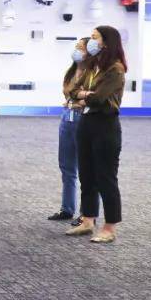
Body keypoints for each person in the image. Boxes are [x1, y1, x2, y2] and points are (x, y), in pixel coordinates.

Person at [65, 25, 126, 243]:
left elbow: (99, 99)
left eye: (94, 37)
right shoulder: (93, 65)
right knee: (87, 175)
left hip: (106, 125)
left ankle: (109, 228)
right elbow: (72, 91)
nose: (90, 41)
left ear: (106, 42)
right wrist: (83, 95)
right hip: (87, 123)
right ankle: (88, 220)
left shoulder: (115, 69)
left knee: (106, 177)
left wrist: (83, 97)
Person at [51, 37, 89, 221]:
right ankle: (67, 209)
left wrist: (76, 102)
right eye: (76, 47)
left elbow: (94, 98)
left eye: (81, 48)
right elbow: (70, 95)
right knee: (66, 167)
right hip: (67, 119)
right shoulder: (71, 71)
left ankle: (86, 213)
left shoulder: (93, 73)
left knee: (86, 169)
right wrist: (74, 102)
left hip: (84, 120)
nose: (76, 51)